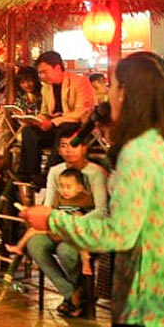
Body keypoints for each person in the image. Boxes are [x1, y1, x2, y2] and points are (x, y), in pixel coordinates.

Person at [23, 52, 164, 327]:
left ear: (127, 93)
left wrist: (53, 220)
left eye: (114, 86)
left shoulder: (139, 151)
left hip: (155, 306)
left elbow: (119, 233)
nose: (108, 94)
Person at [19, 130, 109, 315]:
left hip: (85, 228)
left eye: (73, 145)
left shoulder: (96, 173)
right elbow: (49, 205)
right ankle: (73, 294)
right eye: (63, 146)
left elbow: (102, 211)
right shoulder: (55, 171)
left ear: (84, 148)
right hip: (58, 225)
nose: (68, 150)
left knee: (66, 251)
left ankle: (76, 298)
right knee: (35, 244)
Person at [18, 51, 96, 186]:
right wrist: (36, 120)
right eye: (40, 73)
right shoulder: (46, 88)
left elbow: (82, 112)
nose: (42, 76)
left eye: (44, 72)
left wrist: (54, 122)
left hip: (78, 128)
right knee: (29, 131)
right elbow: (44, 112)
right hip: (55, 127)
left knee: (64, 128)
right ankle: (28, 175)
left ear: (58, 68)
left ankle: (48, 173)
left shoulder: (79, 82)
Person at [6, 168, 94, 279]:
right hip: (58, 227)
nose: (64, 190)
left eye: (68, 187)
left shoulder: (85, 199)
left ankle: (85, 259)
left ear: (80, 188)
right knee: (34, 229)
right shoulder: (59, 198)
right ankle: (19, 246)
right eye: (61, 186)